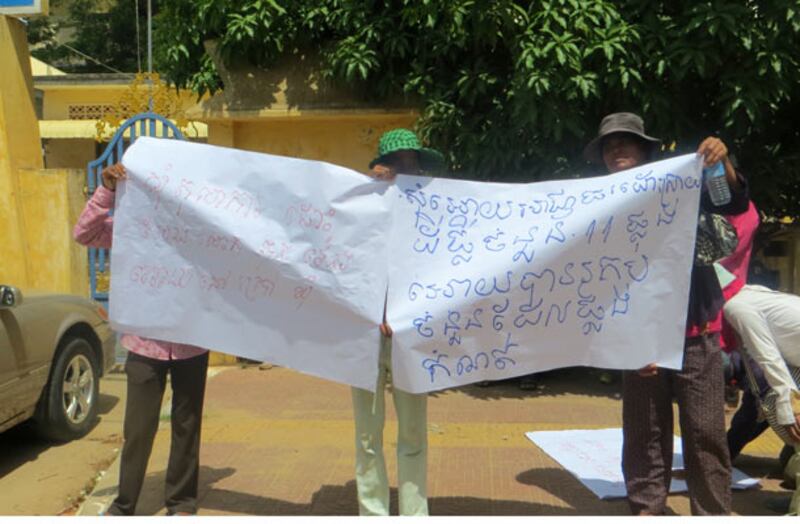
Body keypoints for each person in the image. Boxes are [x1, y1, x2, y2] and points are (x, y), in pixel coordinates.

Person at [582, 112, 749, 515]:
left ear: (644, 149)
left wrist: (720, 162)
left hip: (695, 327)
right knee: (644, 431)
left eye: (624, 141)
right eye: (608, 145)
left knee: (705, 431)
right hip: (636, 335)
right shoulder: (595, 202)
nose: (616, 150)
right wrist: (623, 339)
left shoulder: (680, 181)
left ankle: (712, 513)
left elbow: (730, 200)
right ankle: (647, 509)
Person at [74, 163, 210, 516]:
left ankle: (181, 502)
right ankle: (125, 505)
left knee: (187, 425)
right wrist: (106, 191)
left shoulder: (202, 234)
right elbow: (84, 234)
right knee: (138, 429)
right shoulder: (131, 229)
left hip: (191, 342)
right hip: (144, 344)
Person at [350, 128, 443, 516]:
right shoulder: (361, 210)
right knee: (367, 435)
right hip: (365, 336)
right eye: (397, 162)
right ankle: (373, 512)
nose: (406, 170)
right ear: (381, 167)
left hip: (410, 337)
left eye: (412, 162)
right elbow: (348, 265)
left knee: (413, 433)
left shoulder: (433, 213)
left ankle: (414, 513)